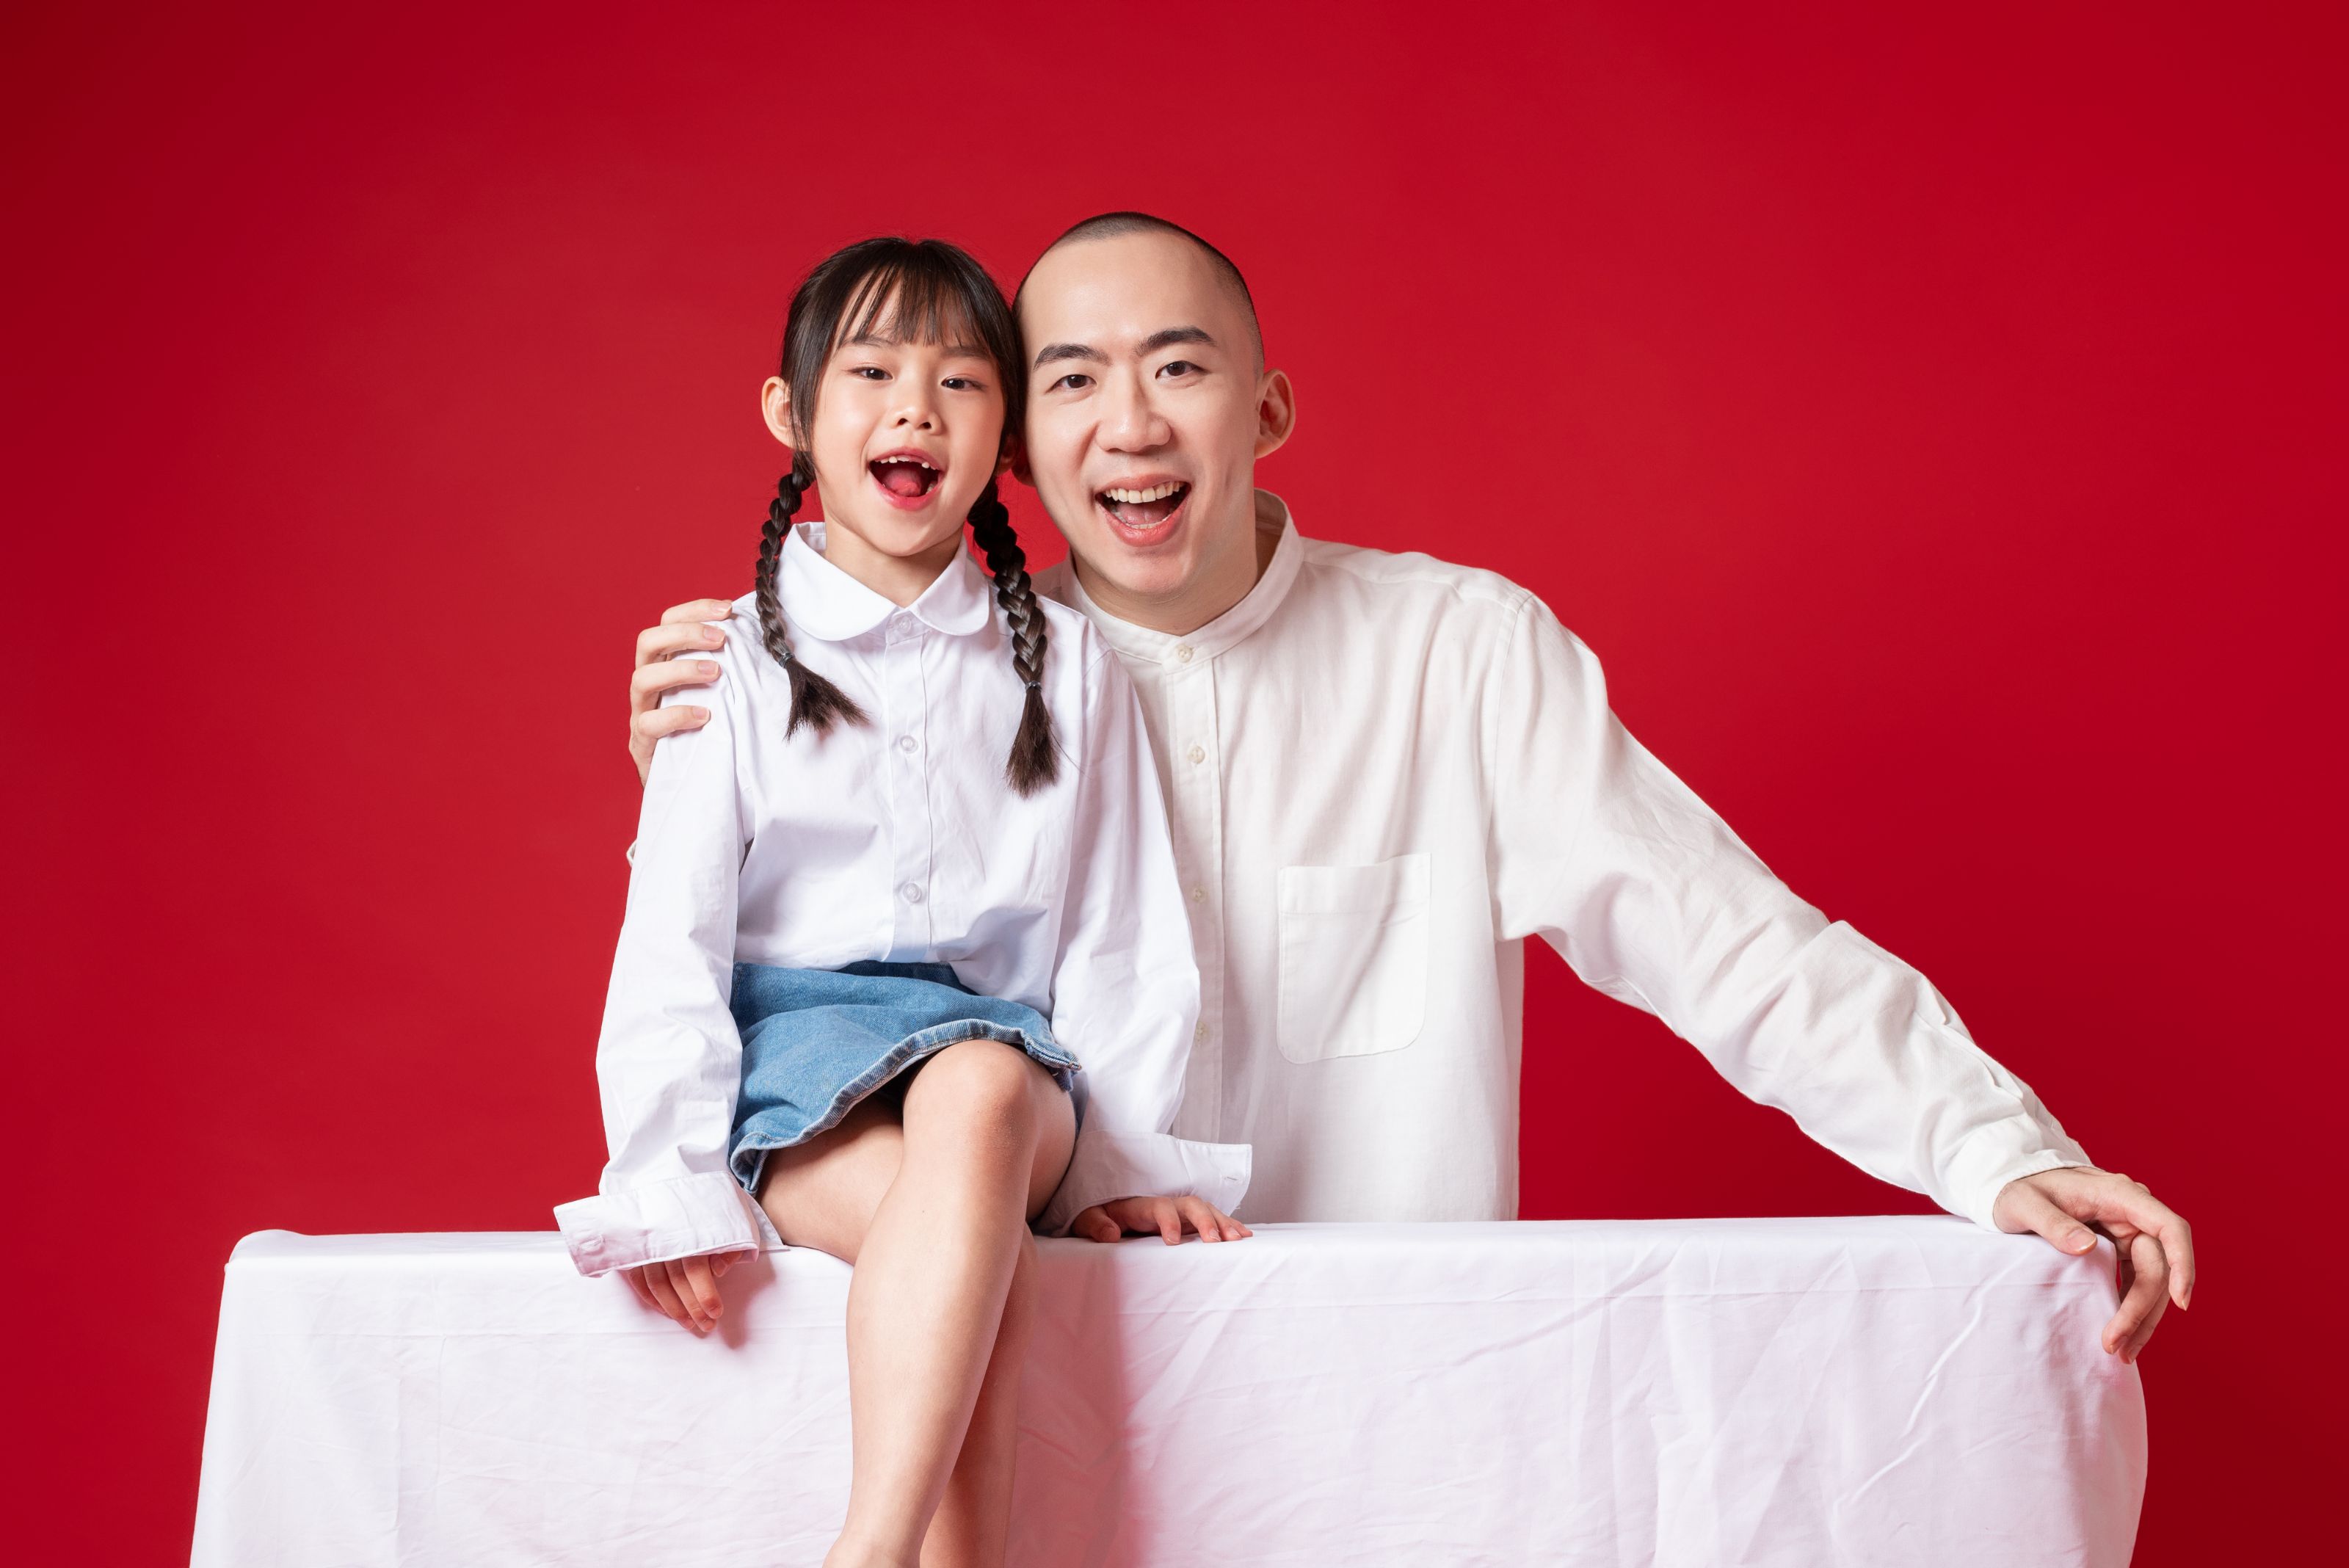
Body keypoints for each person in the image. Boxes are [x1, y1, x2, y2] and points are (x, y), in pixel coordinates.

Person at [626, 213, 2195, 1365]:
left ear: (1267, 408)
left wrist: (1994, 1147)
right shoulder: (939, 687)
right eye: (1075, 380)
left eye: (1180, 367)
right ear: (1019, 446)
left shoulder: (1458, 652)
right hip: (1054, 1384)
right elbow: (794, 972)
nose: (1133, 423)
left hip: (1405, 1383)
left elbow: (1725, 936)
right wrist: (710, 759)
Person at [556, 236, 1251, 1568]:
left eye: (961, 381)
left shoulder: (1069, 665)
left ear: (1005, 436)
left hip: (1009, 1070)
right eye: (872, 373)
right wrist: (668, 1178)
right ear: (791, 411)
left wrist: (1121, 1172)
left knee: (978, 1089)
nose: (916, 409)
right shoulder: (730, 663)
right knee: (977, 1259)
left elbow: (1117, 931)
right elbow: (675, 939)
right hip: (798, 1074)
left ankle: (864, 1554)